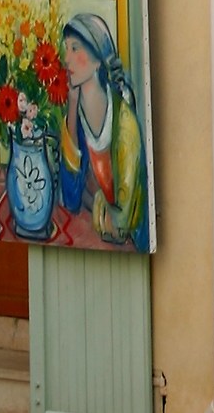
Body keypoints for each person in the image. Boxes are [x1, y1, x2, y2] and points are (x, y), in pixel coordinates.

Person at [58, 13, 152, 250]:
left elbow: (123, 221)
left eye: (75, 48)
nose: (66, 59)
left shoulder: (123, 122)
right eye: (66, 48)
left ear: (98, 60)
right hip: (92, 233)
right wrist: (71, 107)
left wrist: (94, 200)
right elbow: (69, 198)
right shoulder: (75, 115)